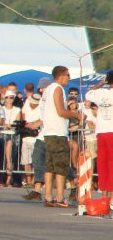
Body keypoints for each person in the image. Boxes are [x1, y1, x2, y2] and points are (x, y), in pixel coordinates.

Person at [40, 66, 84, 207]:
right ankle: (59, 197)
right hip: (57, 132)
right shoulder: (58, 88)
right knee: (60, 165)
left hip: (49, 131)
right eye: (67, 75)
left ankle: (48, 196)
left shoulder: (49, 89)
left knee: (50, 165)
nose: (69, 78)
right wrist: (76, 114)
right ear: (61, 76)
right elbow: (60, 111)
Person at [85, 72, 113, 213]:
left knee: (103, 165)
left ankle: (104, 197)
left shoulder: (101, 93)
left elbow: (88, 94)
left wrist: (102, 83)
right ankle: (111, 198)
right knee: (111, 165)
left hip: (101, 131)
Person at [1, 90, 22, 186]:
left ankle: (9, 177)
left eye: (11, 97)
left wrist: (10, 125)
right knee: (4, 155)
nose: (9, 99)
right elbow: (0, 121)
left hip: (13, 134)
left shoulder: (17, 110)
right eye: (7, 97)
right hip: (2, 134)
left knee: (12, 155)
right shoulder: (1, 109)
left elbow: (17, 122)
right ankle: (6, 174)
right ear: (4, 98)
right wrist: (5, 124)